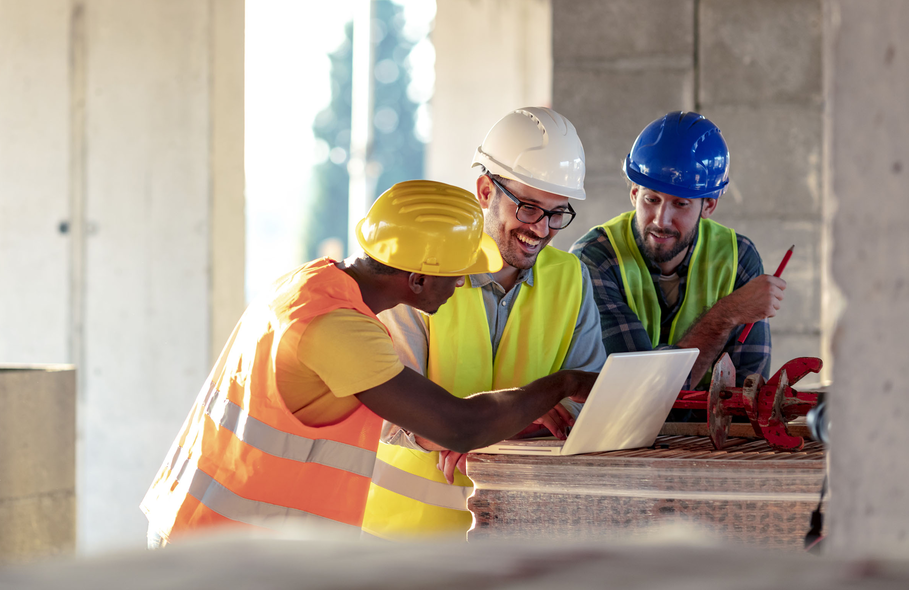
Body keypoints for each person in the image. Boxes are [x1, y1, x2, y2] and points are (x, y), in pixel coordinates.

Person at [140, 180, 598, 547]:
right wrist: (563, 383)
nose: (462, 283)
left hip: (218, 535)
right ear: (417, 278)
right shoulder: (338, 330)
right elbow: (457, 426)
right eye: (457, 272)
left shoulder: (314, 284)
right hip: (219, 547)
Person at [361, 108, 606, 541]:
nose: (542, 229)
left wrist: (496, 422)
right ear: (484, 190)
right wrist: (524, 410)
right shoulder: (418, 269)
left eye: (557, 213)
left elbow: (586, 403)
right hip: (410, 538)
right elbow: (392, 415)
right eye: (529, 208)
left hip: (521, 532)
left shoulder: (571, 277)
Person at [571, 111, 783, 395]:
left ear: (708, 206)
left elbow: (747, 397)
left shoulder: (738, 258)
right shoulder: (595, 258)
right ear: (634, 193)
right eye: (651, 199)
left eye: (680, 204)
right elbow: (639, 392)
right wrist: (725, 315)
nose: (661, 219)